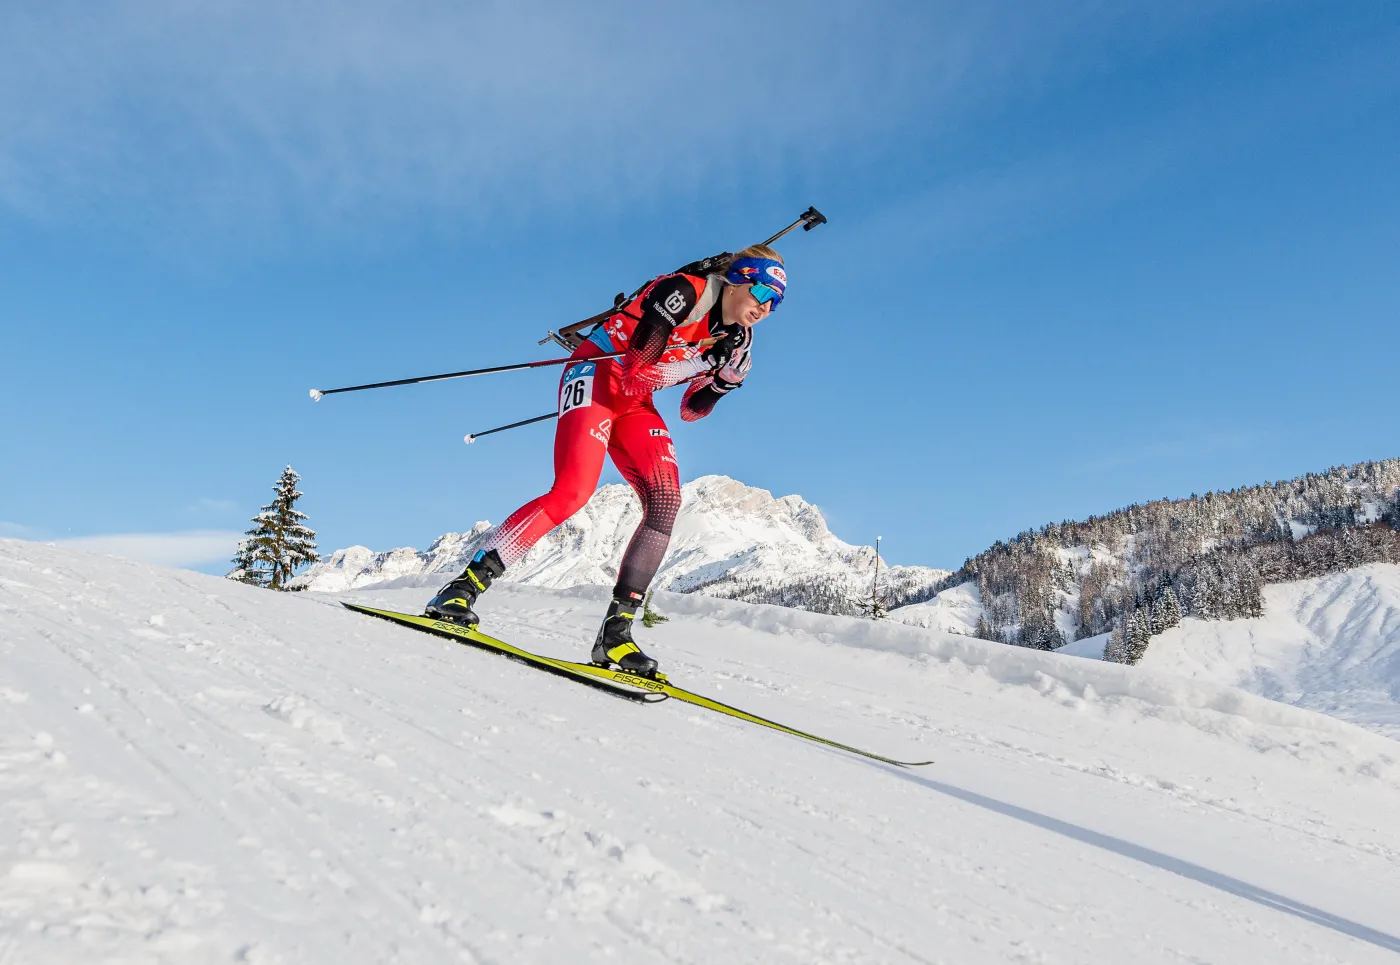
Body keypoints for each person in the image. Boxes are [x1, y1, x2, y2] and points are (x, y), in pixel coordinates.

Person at [423, 245, 788, 676]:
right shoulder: (683, 293)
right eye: (763, 291)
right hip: (596, 375)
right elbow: (638, 368)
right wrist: (701, 360)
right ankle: (461, 588)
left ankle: (615, 636)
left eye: (776, 301)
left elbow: (691, 409)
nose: (766, 307)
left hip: (635, 403)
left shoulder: (737, 339)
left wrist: (723, 382)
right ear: (738, 279)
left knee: (667, 501)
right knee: (572, 492)